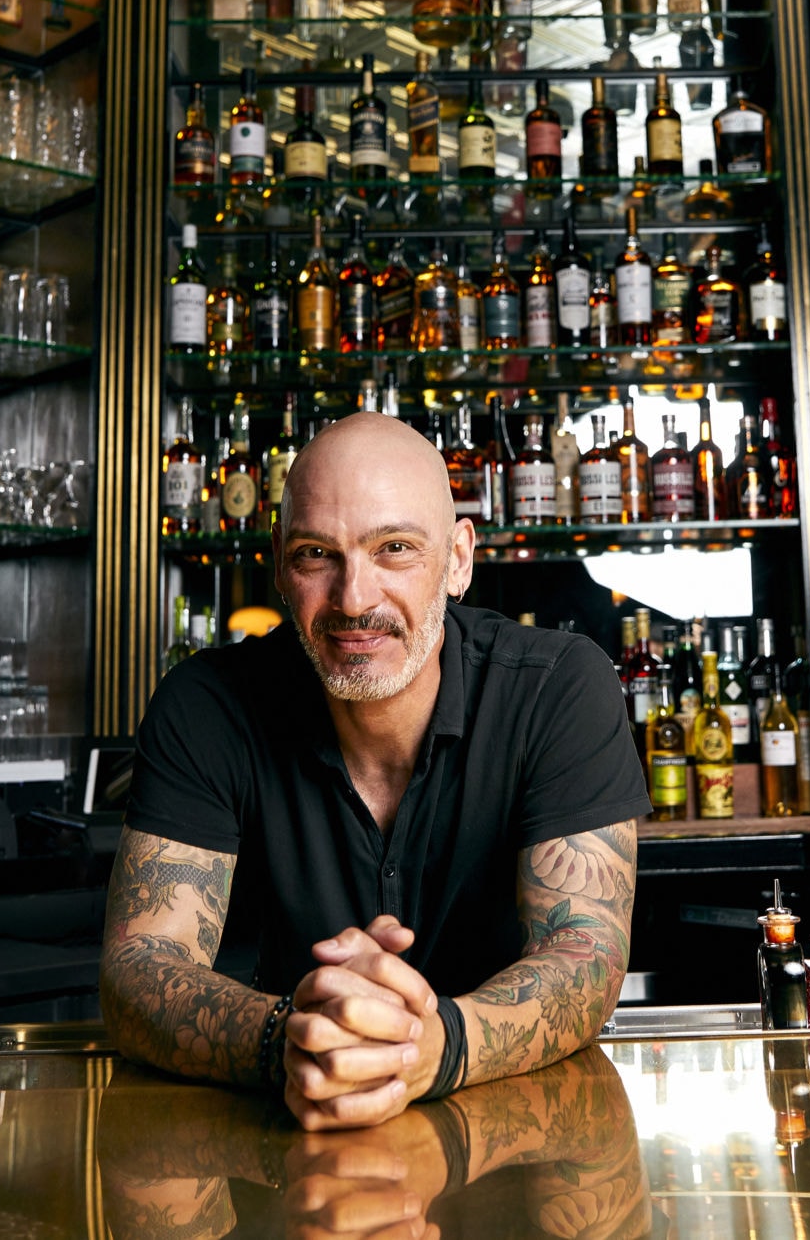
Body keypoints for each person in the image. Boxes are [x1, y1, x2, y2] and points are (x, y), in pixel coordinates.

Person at [101, 411, 647, 1130]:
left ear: (458, 560)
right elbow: (139, 968)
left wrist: (438, 1045)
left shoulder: (558, 688)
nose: (354, 598)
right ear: (276, 560)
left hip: (521, 1135)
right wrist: (286, 1041)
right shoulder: (205, 705)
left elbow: (586, 955)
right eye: (316, 554)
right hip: (286, 1143)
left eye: (394, 548)